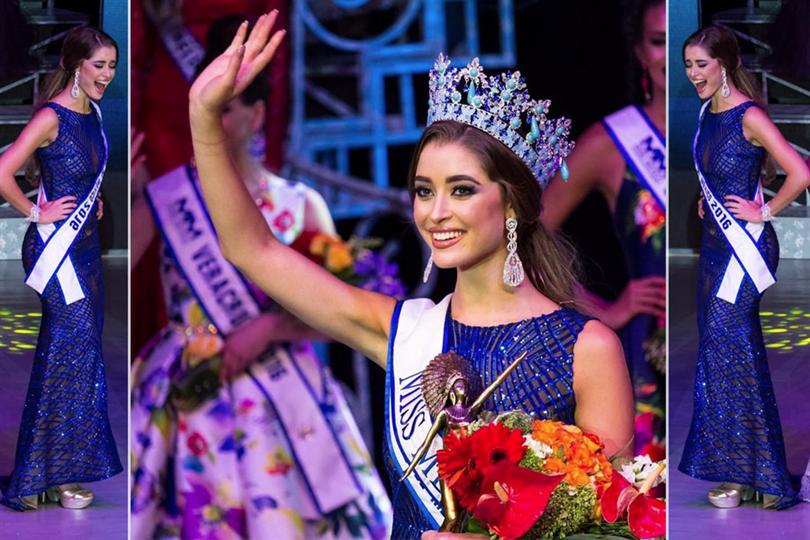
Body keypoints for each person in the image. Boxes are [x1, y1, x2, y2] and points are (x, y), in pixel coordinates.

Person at [187, 12, 634, 537]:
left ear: (512, 204)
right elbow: (250, 248)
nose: (435, 211)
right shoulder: (401, 331)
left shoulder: (587, 349)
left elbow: (616, 524)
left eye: (461, 190)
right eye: (425, 191)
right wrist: (203, 119)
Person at [130, 16, 391, 539]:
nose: (217, 119)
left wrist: (271, 329)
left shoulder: (300, 205)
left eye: (228, 107)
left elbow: (348, 315)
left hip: (285, 392)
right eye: (209, 104)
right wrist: (118, 201)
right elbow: (114, 276)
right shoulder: (167, 198)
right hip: (192, 385)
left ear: (257, 114)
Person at [679, 25, 810, 510]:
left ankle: (760, 476)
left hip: (745, 248)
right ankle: (746, 471)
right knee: (722, 354)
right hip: (714, 246)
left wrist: (766, 210)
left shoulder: (749, 115)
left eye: (701, 65)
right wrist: (704, 199)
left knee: (732, 352)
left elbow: (800, 172)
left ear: (725, 65)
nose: (693, 74)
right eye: (688, 65)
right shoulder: (704, 113)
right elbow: (719, 171)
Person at [0, 27, 122, 510]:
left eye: (113, 66)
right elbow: (4, 169)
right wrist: (35, 211)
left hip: (86, 250)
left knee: (78, 357)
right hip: (57, 252)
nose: (108, 76)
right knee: (70, 355)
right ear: (76, 66)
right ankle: (41, 476)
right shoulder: (51, 116)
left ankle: (51, 473)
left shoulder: (92, 114)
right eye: (100, 66)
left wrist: (94, 206)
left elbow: (83, 174)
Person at [541, 0, 666, 459]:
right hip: (653, 351)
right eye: (657, 41)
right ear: (638, 52)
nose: (670, 54)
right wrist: (599, 310)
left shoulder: (736, 131)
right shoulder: (612, 143)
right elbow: (529, 233)